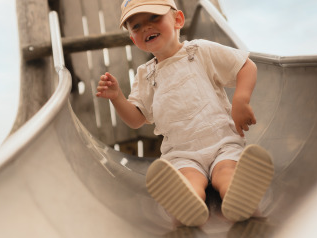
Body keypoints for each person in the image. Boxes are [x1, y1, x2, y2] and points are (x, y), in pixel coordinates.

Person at [96, 0, 274, 226]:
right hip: (182, 153)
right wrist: (117, 97)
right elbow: (136, 118)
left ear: (178, 20)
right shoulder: (145, 74)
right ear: (133, 39)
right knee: (189, 181)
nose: (146, 28)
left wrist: (240, 100)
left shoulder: (199, 51)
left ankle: (239, 197)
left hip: (222, 142)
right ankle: (188, 206)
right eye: (137, 27)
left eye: (154, 18)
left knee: (227, 171)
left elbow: (246, 66)